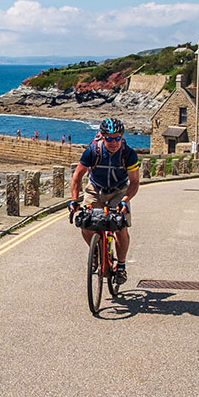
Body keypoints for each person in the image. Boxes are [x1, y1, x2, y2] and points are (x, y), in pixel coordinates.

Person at [68, 117, 140, 285]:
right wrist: (73, 200)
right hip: (96, 189)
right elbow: (77, 176)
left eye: (117, 138)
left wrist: (125, 201)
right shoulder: (93, 151)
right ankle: (96, 253)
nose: (113, 142)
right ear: (102, 136)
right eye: (109, 138)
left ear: (122, 137)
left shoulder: (128, 154)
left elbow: (135, 182)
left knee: (120, 227)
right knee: (85, 223)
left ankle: (121, 266)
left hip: (119, 191)